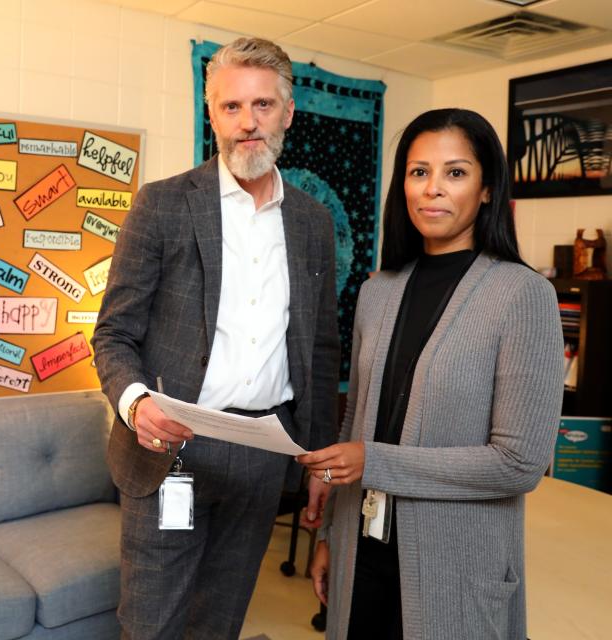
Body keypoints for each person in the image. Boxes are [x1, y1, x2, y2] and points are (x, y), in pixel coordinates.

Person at [91, 36, 340, 639]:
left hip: (263, 453)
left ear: (288, 112)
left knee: (221, 620)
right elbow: (113, 333)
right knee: (152, 624)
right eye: (231, 107)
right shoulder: (163, 205)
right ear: (212, 114)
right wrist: (135, 403)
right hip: (171, 449)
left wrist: (319, 463)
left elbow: (322, 349)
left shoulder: (312, 221)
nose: (247, 123)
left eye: (262, 105)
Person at [300, 108, 564, 640]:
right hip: (363, 548)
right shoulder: (379, 291)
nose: (433, 190)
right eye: (419, 172)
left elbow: (520, 464)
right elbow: (357, 422)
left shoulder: (523, 295)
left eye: (456, 173)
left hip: (455, 565)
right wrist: (330, 534)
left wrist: (374, 462)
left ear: (488, 190)